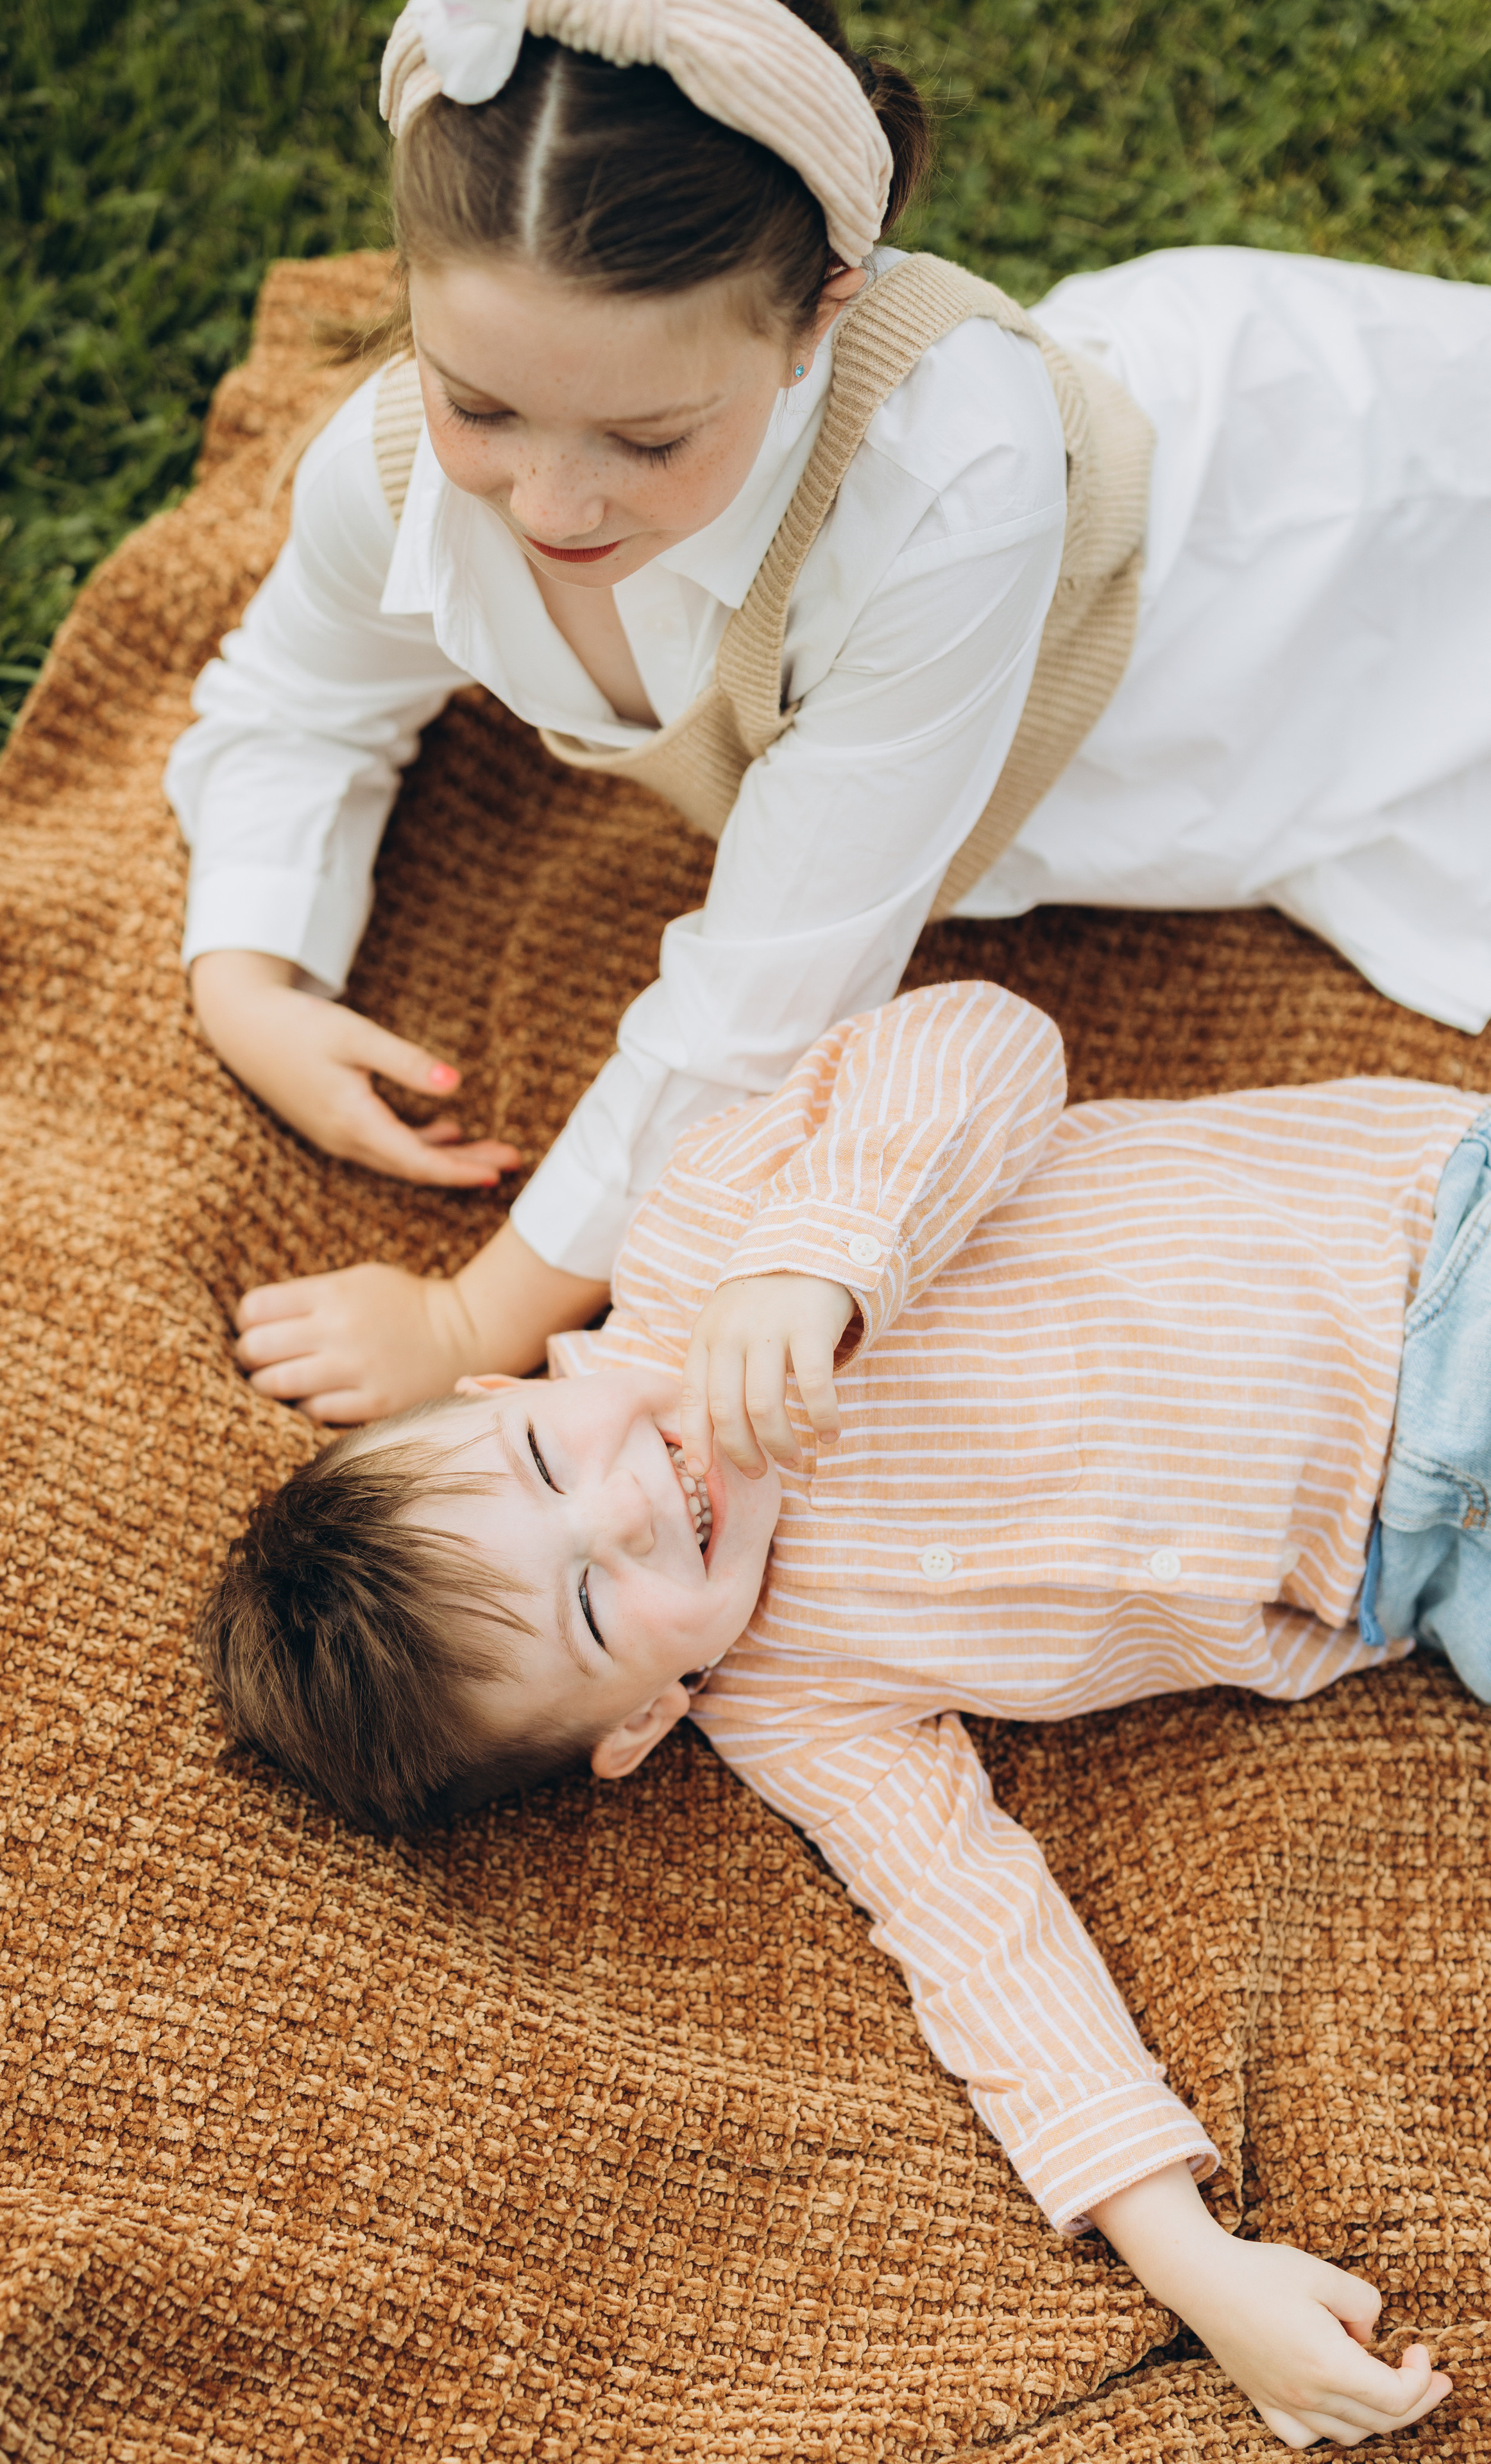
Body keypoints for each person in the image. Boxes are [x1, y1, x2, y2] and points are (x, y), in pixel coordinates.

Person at [198, 976, 1488, 2453]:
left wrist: (815, 1266)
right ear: (639, 1723)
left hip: (1423, 1255)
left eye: (549, 1461)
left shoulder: (705, 1241)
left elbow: (986, 1041)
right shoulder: (787, 1706)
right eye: (595, 1608)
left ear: (502, 1382)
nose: (633, 1502)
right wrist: (1191, 2266)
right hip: (1418, 1566)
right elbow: (976, 1936)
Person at [167, 0, 1491, 1430]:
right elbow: (291, 698)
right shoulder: (387, 472)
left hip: (1311, 567)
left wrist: (469, 1314)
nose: (549, 505)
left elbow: (766, 998)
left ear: (819, 315)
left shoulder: (947, 487)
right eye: (476, 403)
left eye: (648, 439)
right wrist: (247, 978)